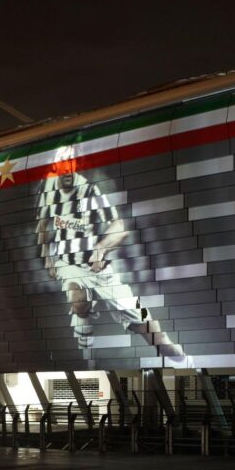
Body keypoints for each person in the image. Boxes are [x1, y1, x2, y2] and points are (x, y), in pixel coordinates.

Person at [35, 145, 187, 363]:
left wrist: (100, 249)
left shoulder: (89, 191)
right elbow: (42, 223)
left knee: (154, 335)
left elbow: (119, 226)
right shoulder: (47, 187)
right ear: (55, 167)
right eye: (63, 167)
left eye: (71, 166)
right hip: (70, 265)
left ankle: (179, 357)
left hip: (101, 270)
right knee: (77, 296)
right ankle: (86, 354)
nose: (68, 171)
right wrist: (47, 257)